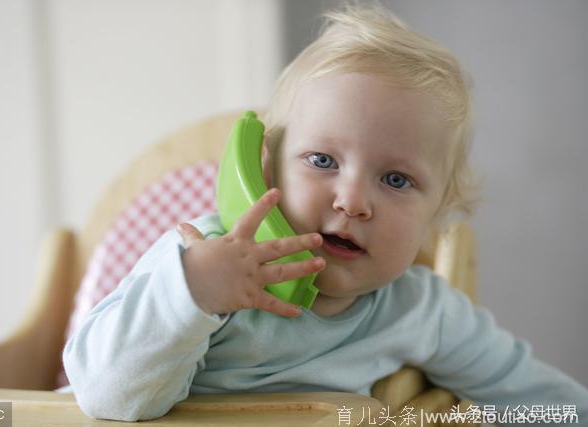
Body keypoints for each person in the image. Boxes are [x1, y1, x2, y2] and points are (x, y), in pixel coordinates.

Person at [62, 4, 588, 423]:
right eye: (322, 161)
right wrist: (191, 294)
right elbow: (106, 397)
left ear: (438, 216)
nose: (353, 201)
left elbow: (533, 397)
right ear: (265, 170)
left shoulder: (420, 310)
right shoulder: (202, 259)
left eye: (397, 179)